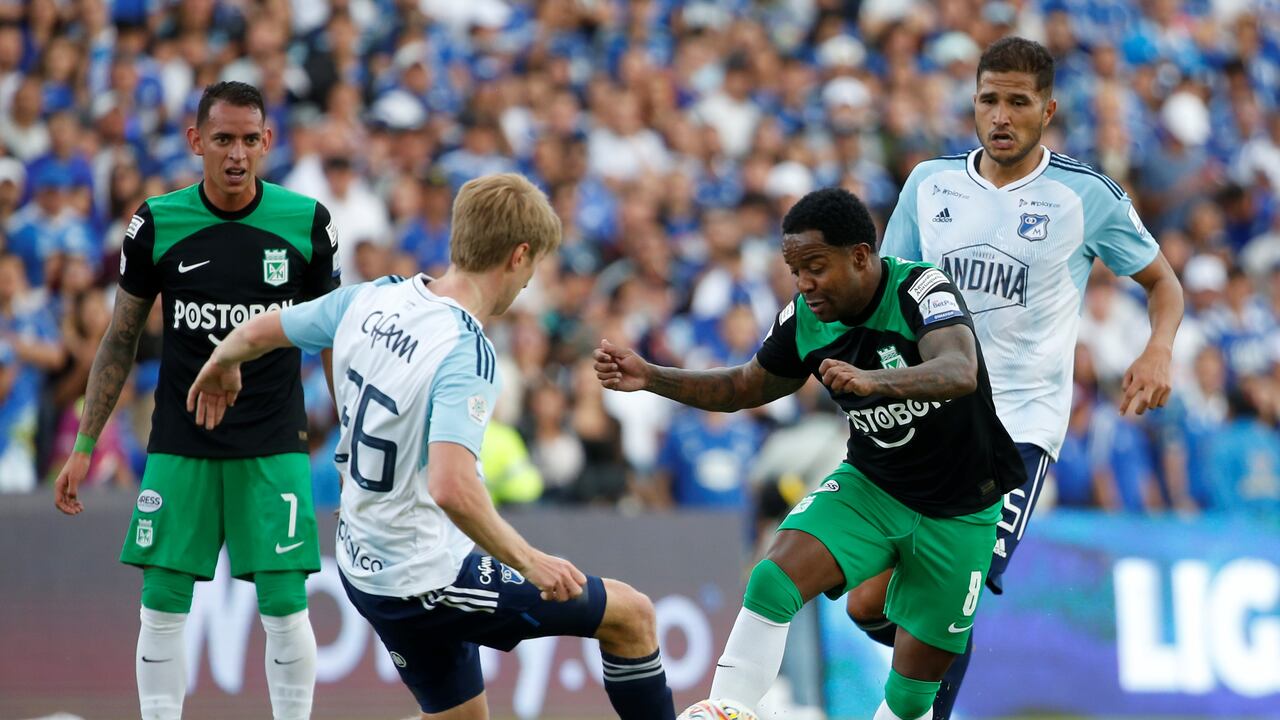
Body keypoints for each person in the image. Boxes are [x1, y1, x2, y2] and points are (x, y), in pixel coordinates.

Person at [186, 173, 677, 720]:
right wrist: (530, 562)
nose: (528, 282)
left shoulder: (373, 297)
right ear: (519, 256)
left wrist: (221, 361)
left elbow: (258, 331)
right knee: (632, 615)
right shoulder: (467, 351)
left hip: (362, 556)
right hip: (423, 576)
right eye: (534, 266)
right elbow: (451, 486)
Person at [595, 187, 1026, 720]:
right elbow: (744, 386)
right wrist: (652, 377)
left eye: (816, 268)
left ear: (860, 257)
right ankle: (726, 710)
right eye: (795, 270)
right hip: (873, 488)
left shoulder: (920, 288)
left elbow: (960, 370)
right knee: (772, 579)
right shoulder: (805, 318)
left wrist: (874, 382)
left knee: (912, 700)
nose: (803, 283)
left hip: (961, 509)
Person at [861, 36, 1185, 718]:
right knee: (873, 601)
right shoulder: (930, 184)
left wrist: (1157, 349)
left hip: (1018, 429)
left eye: (1018, 102)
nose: (1001, 116)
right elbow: (888, 298)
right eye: (989, 100)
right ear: (973, 103)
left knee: (955, 587)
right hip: (928, 418)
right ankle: (930, 653)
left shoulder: (1084, 195)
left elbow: (1164, 283)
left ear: (1048, 110)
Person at [53, 81, 341, 720]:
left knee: (285, 606)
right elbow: (120, 337)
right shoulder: (157, 223)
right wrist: (84, 443)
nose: (237, 154)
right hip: (182, 440)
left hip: (272, 439)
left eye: (249, 140)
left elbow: (332, 337)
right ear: (195, 141)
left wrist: (348, 439)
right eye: (223, 139)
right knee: (160, 605)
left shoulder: (307, 222)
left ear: (267, 142)